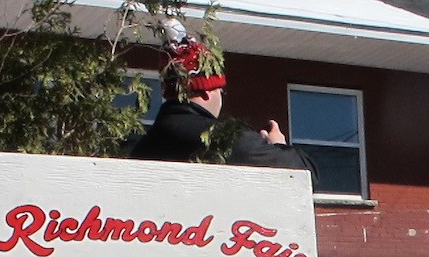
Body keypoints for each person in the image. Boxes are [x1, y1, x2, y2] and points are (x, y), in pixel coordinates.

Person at [130, 18, 317, 177]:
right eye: (221, 91)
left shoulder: (139, 148)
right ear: (206, 91)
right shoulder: (228, 140)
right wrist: (278, 146)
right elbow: (306, 172)